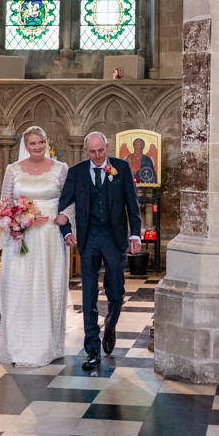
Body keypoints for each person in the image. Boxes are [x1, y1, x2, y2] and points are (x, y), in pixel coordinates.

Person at [57, 131, 142, 370]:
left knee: (116, 292)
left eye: (101, 150)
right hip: (88, 238)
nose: (97, 156)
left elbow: (132, 204)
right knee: (89, 294)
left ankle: (111, 325)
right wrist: (67, 233)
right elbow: (63, 206)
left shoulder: (122, 168)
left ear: (107, 146)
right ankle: (92, 348)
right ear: (86, 150)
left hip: (115, 239)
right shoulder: (76, 172)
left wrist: (135, 233)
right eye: (92, 152)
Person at [0, 126, 73, 367]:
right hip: (23, 237)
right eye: (32, 143)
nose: (37, 147)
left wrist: (66, 215)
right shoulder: (12, 169)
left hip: (49, 236)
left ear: (46, 142)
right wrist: (14, 223)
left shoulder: (61, 169)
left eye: (41, 142)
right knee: (18, 287)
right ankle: (16, 345)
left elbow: (71, 201)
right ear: (25, 146)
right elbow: (5, 203)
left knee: (46, 287)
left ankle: (46, 346)